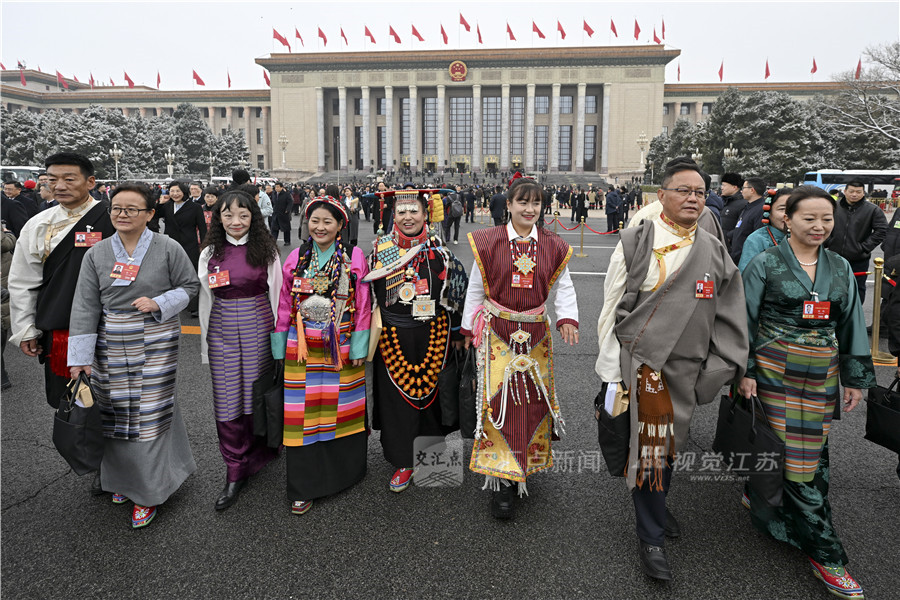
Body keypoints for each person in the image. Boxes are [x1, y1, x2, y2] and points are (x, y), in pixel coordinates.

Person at [594, 161, 748, 581]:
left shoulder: (713, 250)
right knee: (653, 448)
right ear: (661, 195)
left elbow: (730, 315)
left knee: (668, 447)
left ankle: (656, 506)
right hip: (645, 366)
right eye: (684, 190)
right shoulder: (635, 241)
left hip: (690, 369)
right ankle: (651, 536)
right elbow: (612, 308)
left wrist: (722, 366)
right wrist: (610, 371)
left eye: (700, 192)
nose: (694, 198)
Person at [739, 185, 875, 598]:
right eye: (808, 218)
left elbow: (851, 323)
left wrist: (855, 380)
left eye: (827, 219)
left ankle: (766, 501)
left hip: (820, 375)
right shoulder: (764, 263)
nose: (819, 226)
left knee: (807, 450)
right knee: (800, 458)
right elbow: (742, 320)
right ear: (787, 220)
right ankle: (826, 553)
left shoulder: (839, 266)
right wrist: (742, 372)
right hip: (773, 371)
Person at [67, 182, 200, 528]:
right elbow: (84, 304)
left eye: (131, 209)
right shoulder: (96, 253)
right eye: (116, 209)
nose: (122, 215)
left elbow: (189, 286)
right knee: (113, 412)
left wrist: (160, 302)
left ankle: (149, 491)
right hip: (109, 343)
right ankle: (121, 481)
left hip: (156, 339)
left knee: (150, 415)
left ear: (150, 214)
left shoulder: (167, 247)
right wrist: (79, 357)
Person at [461, 175, 579, 520]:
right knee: (499, 400)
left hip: (536, 336)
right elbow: (475, 290)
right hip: (497, 333)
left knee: (529, 402)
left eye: (536, 203)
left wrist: (567, 318)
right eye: (523, 202)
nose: (530, 209)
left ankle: (525, 461)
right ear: (508, 204)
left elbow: (565, 287)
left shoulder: (554, 245)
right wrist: (469, 329)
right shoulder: (487, 242)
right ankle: (501, 479)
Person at [271, 195, 371, 515]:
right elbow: (284, 303)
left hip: (340, 346)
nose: (320, 227)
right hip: (300, 347)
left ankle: (346, 472)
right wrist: (278, 346)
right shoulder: (296, 257)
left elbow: (364, 304)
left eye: (328, 221)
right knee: (301, 413)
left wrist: (359, 346)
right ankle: (303, 485)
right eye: (314, 221)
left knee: (340, 406)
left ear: (341, 225)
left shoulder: (354, 257)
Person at [366, 189, 468, 492]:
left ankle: (432, 454)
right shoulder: (380, 250)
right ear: (393, 215)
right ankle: (403, 461)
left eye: (414, 211)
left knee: (433, 398)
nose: (408, 217)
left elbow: (455, 294)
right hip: (393, 337)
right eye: (401, 211)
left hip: (433, 335)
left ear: (426, 214)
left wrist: (458, 331)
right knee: (398, 400)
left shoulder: (439, 251)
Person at [8, 152, 115, 427]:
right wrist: (25, 329)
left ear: (90, 181)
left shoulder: (113, 217)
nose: (59, 186)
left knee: (116, 398)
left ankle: (121, 461)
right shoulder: (39, 224)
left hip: (112, 327)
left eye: (69, 179)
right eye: (52, 180)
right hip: (61, 330)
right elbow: (23, 280)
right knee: (72, 401)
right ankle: (83, 452)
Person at [198, 190, 282, 510]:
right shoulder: (209, 253)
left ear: (254, 218)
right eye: (228, 215)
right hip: (221, 328)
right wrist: (205, 344)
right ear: (218, 217)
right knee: (226, 398)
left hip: (259, 323)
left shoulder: (266, 250)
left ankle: (261, 450)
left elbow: (277, 296)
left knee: (256, 393)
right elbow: (205, 299)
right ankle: (235, 468)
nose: (236, 221)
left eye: (243, 215)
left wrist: (279, 344)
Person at [825, 180, 887, 305]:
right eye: (851, 191)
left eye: (858, 192)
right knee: (831, 288)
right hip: (833, 256)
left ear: (863, 193)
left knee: (858, 289)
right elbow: (823, 224)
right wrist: (828, 242)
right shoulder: (833, 207)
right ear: (845, 191)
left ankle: (855, 317)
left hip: (858, 258)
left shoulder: (872, 210)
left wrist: (863, 247)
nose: (854, 194)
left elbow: (882, 230)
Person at [158, 181, 207, 316]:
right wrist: (160, 203)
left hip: (189, 244)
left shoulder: (195, 207)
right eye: (172, 191)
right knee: (171, 273)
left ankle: (194, 305)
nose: (175, 194)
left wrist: (205, 245)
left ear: (184, 192)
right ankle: (175, 303)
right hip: (170, 244)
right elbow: (152, 215)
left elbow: (202, 228)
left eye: (178, 191)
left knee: (191, 273)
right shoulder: (167, 206)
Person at [737, 188, 791, 272]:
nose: (787, 215)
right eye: (782, 209)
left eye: (793, 209)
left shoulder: (805, 237)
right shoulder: (756, 240)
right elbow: (747, 277)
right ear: (769, 211)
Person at [728, 177, 768, 265]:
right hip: (737, 258)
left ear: (752, 190)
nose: (741, 191)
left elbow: (758, 237)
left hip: (747, 261)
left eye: (743, 188)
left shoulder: (761, 210)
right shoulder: (748, 207)